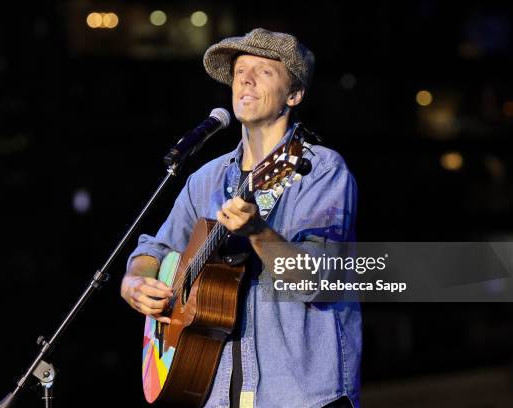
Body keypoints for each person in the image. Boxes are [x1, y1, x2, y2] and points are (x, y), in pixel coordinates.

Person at [120, 28, 361, 408]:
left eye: (264, 71)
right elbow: (155, 247)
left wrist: (259, 232)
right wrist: (136, 281)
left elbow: (320, 281)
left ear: (294, 95)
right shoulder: (206, 179)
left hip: (298, 395)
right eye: (240, 71)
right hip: (215, 392)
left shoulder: (320, 170)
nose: (245, 79)